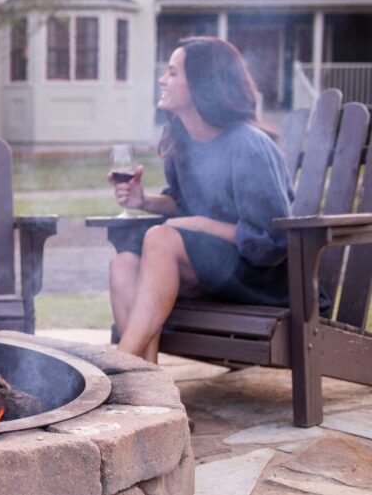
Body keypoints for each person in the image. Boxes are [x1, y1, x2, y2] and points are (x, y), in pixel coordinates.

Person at [108, 36, 299, 363]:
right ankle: (149, 388)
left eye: (172, 73)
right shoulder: (183, 141)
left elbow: (273, 240)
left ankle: (117, 366)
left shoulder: (248, 145)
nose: (162, 79)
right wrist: (144, 201)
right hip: (210, 270)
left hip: (259, 279)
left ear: (202, 83)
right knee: (123, 262)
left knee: (160, 238)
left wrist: (200, 224)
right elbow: (182, 204)